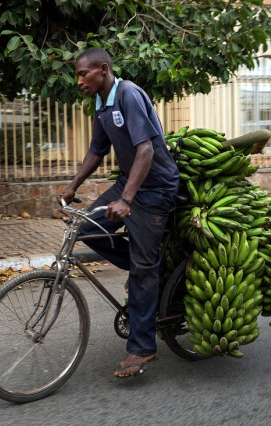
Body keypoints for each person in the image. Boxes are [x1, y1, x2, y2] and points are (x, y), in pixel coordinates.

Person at [57, 48, 180, 378]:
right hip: (131, 182)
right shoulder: (101, 104)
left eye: (84, 73)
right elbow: (97, 151)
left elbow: (146, 149)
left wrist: (126, 200)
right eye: (77, 74)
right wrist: (73, 185)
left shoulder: (127, 95)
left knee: (142, 268)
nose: (78, 80)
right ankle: (145, 267)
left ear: (103, 69)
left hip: (155, 188)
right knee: (87, 228)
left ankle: (142, 348)